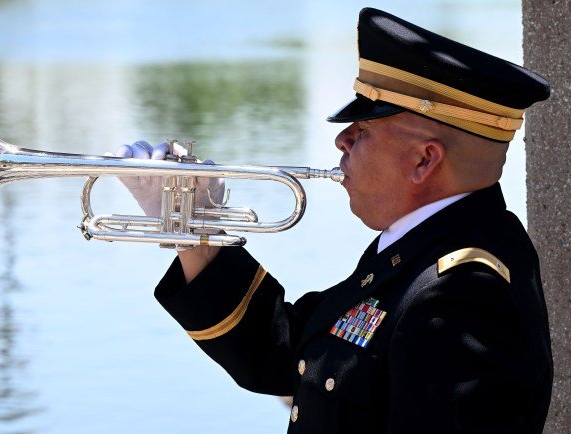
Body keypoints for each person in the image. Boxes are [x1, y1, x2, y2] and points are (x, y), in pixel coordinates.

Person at [114, 8, 553, 434]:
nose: (341, 139)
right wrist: (194, 231)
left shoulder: (460, 294)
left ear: (424, 159)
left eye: (363, 128)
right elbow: (285, 356)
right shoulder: (421, 248)